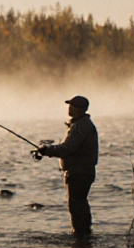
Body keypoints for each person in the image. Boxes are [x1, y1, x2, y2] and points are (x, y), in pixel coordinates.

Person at [34, 96, 99, 237]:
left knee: (76, 205)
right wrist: (49, 150)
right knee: (79, 204)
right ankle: (84, 236)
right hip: (81, 171)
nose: (69, 108)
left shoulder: (81, 126)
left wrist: (47, 150)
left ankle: (80, 235)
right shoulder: (81, 124)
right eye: (70, 105)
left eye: (73, 106)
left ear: (80, 109)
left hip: (79, 172)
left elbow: (68, 148)